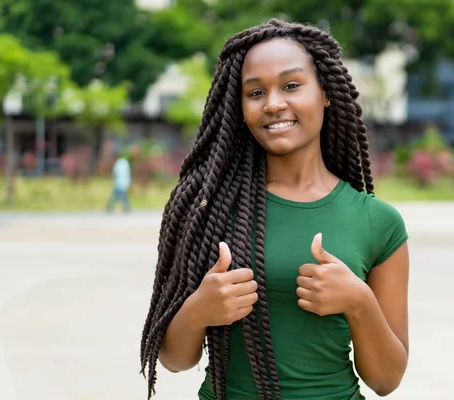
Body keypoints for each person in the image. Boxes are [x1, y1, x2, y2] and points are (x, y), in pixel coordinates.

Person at [140, 19, 410, 400]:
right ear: (240, 108)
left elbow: (386, 380)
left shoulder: (378, 222)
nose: (273, 104)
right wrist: (199, 308)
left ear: (326, 93)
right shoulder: (209, 209)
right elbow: (174, 359)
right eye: (255, 92)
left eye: (291, 85)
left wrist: (359, 302)